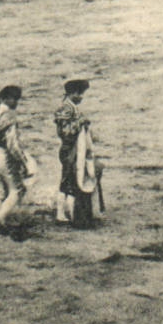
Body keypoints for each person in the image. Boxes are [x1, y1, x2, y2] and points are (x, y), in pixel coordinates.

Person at [0, 85, 32, 228]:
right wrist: (23, 161)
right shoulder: (9, 116)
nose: (16, 102)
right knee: (17, 189)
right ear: (5, 99)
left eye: (17, 99)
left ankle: (0, 222)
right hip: (3, 156)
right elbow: (13, 145)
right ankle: (0, 217)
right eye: (13, 99)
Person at [53, 78, 98, 227]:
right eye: (79, 94)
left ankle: (66, 213)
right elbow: (66, 132)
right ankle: (63, 214)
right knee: (68, 180)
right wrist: (81, 123)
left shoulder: (69, 107)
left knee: (70, 180)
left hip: (72, 148)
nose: (81, 97)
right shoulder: (66, 108)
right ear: (72, 93)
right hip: (70, 149)